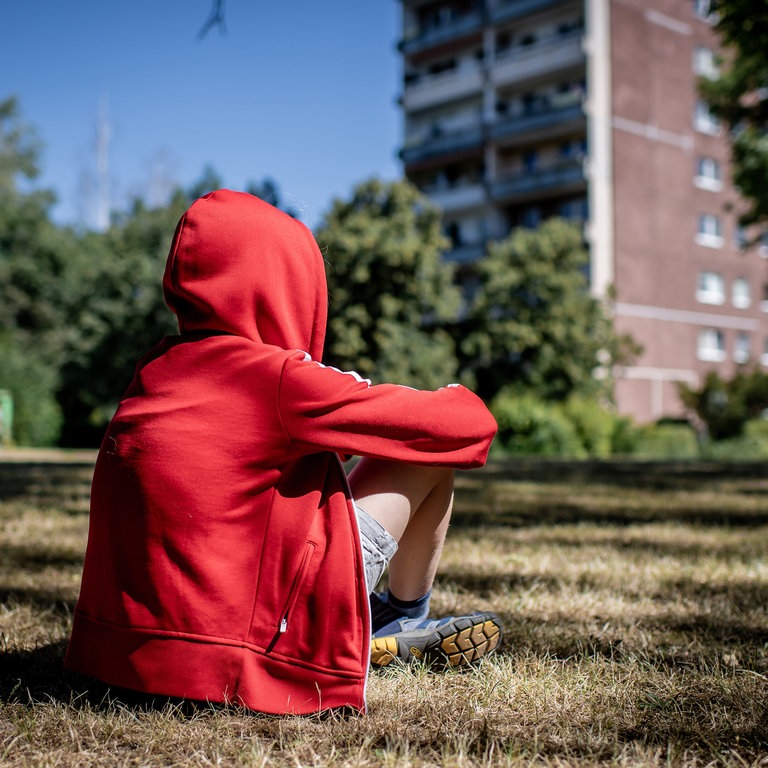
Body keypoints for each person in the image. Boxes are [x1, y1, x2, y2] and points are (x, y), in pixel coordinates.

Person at [65, 189, 501, 715]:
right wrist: (452, 394)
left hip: (114, 655)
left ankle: (383, 615)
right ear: (286, 285)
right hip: (245, 648)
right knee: (423, 454)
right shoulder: (276, 378)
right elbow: (464, 430)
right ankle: (400, 615)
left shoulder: (155, 371)